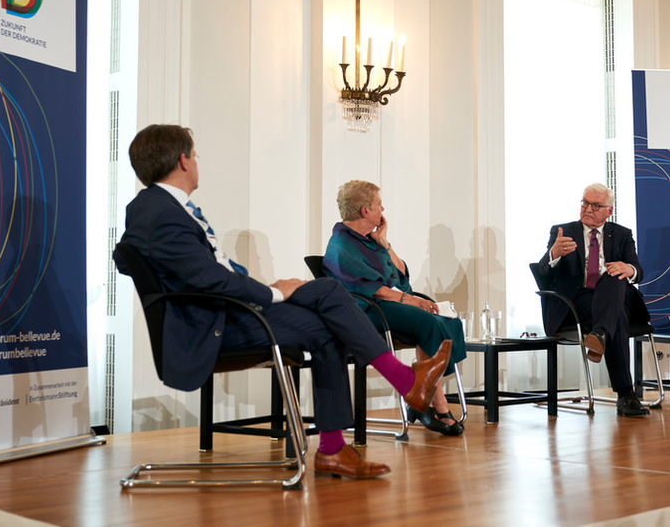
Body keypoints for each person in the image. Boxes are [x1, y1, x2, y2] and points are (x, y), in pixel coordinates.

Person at [113, 124, 452, 479]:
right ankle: (365, 418)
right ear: (183, 161)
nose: (197, 162)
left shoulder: (160, 207)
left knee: (329, 295)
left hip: (225, 311)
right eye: (195, 155)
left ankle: (371, 415)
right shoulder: (160, 213)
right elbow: (208, 278)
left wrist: (271, 287)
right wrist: (273, 293)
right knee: (330, 318)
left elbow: (204, 269)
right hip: (211, 326)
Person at [322, 180, 467, 436]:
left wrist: (385, 243)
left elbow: (401, 275)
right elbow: (373, 289)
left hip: (388, 305)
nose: (383, 208)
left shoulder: (371, 240)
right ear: (366, 210)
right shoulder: (341, 244)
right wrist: (414, 301)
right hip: (367, 312)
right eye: (379, 204)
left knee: (449, 320)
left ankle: (422, 398)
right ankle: (437, 403)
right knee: (428, 320)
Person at [532, 183, 651, 418]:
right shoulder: (562, 232)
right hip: (579, 303)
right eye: (584, 203)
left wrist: (627, 268)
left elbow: (638, 270)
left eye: (595, 205)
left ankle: (599, 335)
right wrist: (554, 254)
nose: (588, 209)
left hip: (616, 297)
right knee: (617, 317)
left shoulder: (622, 234)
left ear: (609, 210)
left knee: (615, 277)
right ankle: (625, 394)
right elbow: (543, 274)